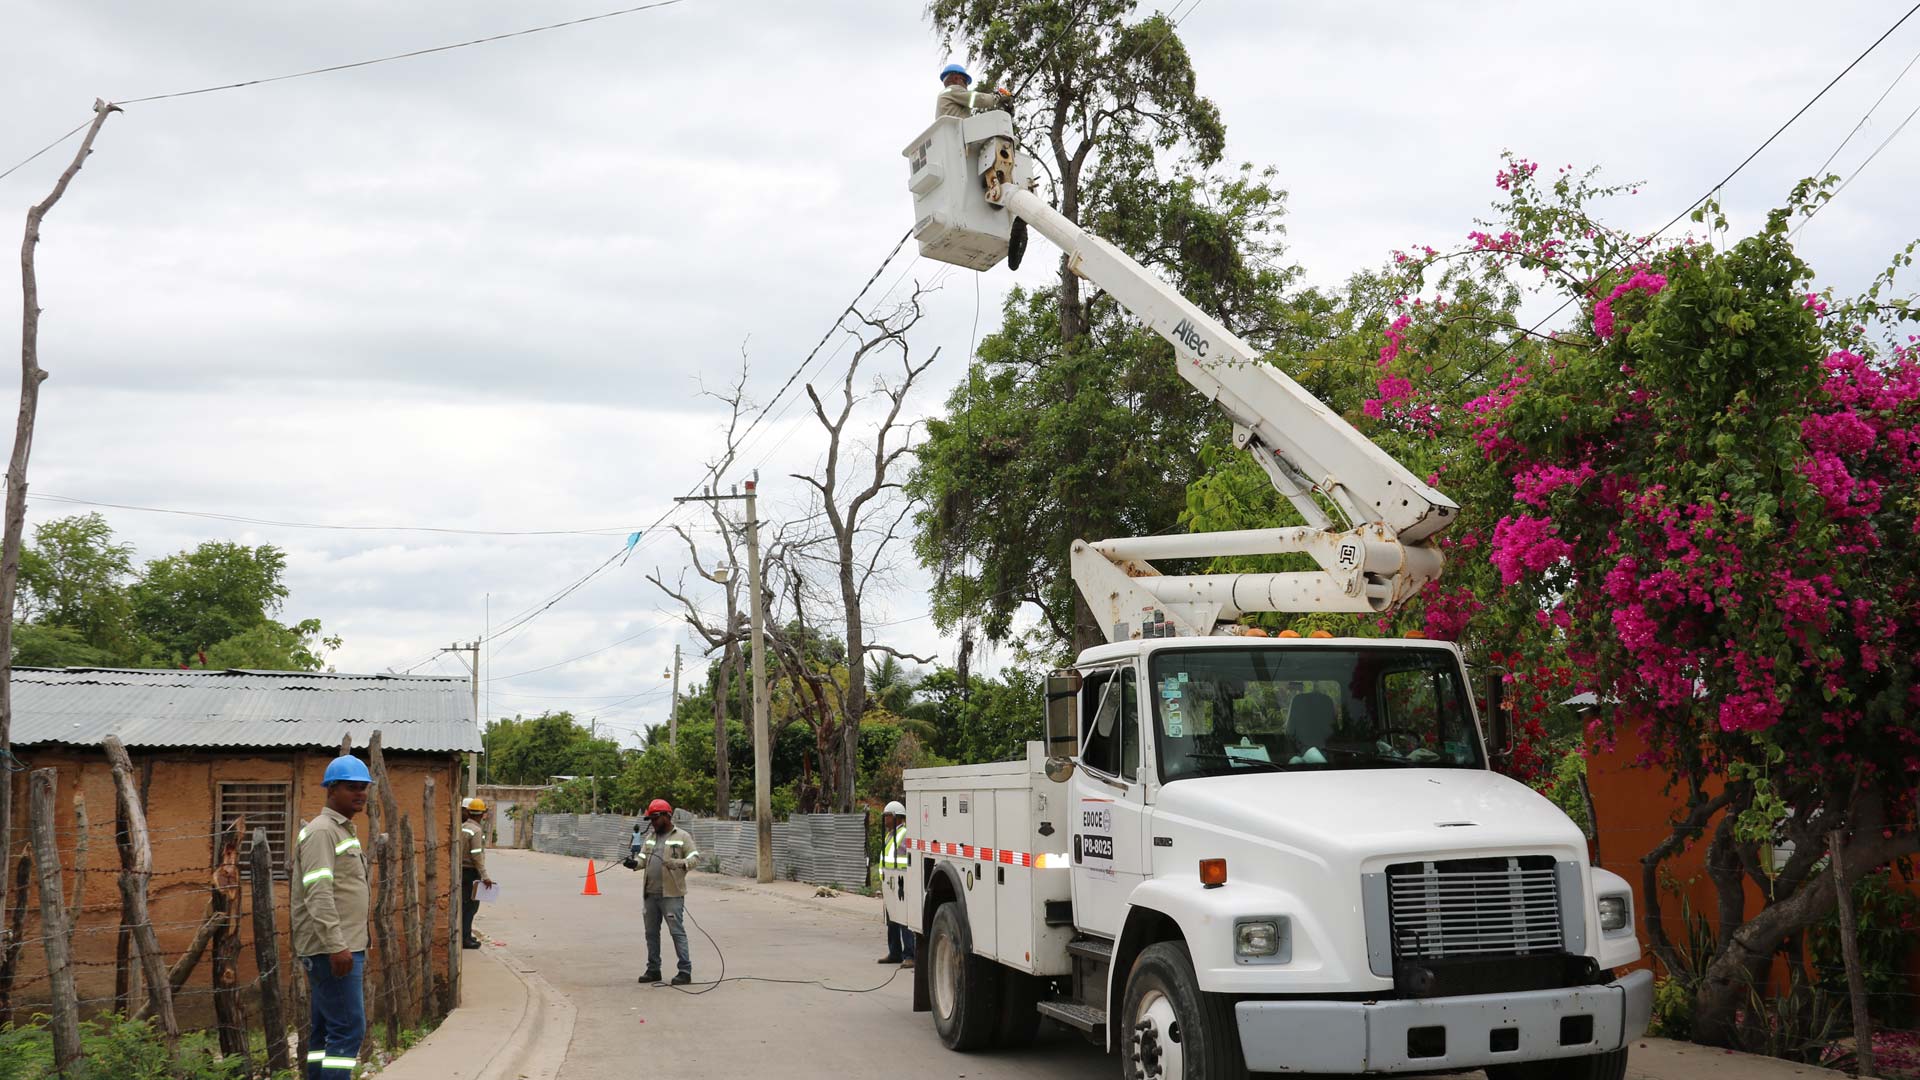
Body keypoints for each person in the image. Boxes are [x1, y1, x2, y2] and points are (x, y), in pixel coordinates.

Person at [291, 755, 372, 1080]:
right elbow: (319, 892)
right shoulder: (322, 832)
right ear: (331, 789)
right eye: (352, 787)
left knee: (326, 1031)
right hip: (333, 950)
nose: (361, 794)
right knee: (349, 1029)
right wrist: (337, 945)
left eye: (364, 788)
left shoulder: (341, 831)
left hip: (342, 946)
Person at [635, 798, 699, 985]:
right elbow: (642, 859)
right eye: (651, 819)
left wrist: (678, 863)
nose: (653, 823)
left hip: (671, 894)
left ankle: (685, 971)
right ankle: (653, 969)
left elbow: (695, 858)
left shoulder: (682, 836)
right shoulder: (650, 838)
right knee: (651, 933)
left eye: (656, 818)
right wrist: (634, 864)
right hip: (650, 894)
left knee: (676, 932)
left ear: (666, 816)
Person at [877, 800, 915, 967]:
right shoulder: (890, 835)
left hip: (901, 883)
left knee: (903, 921)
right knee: (891, 919)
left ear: (897, 817)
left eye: (887, 816)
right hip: (890, 883)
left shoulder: (905, 834)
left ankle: (910, 955)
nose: (885, 820)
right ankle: (895, 952)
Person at [459, 797, 494, 949]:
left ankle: (464, 935)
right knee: (471, 907)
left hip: (461, 871)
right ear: (482, 814)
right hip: (471, 872)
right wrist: (485, 876)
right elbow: (477, 856)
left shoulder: (463, 827)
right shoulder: (477, 830)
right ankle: (465, 939)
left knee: (464, 906)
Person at [935, 63, 1011, 120]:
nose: (966, 86)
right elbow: (980, 99)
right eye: (965, 82)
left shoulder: (944, 94)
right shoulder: (953, 90)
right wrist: (998, 97)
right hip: (955, 135)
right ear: (956, 78)